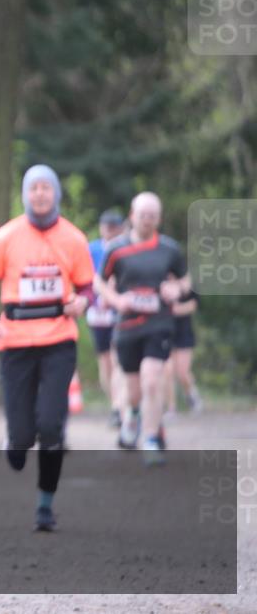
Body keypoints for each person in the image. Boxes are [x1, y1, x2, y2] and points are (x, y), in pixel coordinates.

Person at [0, 164, 96, 532]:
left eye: (46, 188)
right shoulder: (6, 236)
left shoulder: (74, 238)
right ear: (25, 194)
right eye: (33, 188)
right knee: (24, 436)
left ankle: (45, 505)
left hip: (59, 340)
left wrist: (83, 303)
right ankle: (15, 440)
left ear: (55, 193)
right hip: (15, 344)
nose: (40, 194)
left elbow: (87, 287)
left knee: (51, 426)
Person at [95, 192, 190, 466]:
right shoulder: (116, 249)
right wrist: (117, 300)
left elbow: (185, 280)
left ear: (159, 218)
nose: (147, 220)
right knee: (134, 388)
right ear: (132, 215)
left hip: (159, 323)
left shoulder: (169, 249)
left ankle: (150, 439)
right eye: (142, 215)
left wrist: (176, 288)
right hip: (127, 326)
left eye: (152, 216)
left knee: (152, 379)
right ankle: (133, 414)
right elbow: (100, 282)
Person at [86, 209, 126, 428]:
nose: (110, 230)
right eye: (106, 226)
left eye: (114, 226)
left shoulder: (125, 248)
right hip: (97, 312)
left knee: (118, 357)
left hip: (118, 310)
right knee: (105, 361)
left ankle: (119, 407)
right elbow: (84, 277)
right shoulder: (91, 249)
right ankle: (114, 403)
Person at [164, 289, 203, 415]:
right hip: (165, 332)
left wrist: (175, 309)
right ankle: (171, 407)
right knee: (168, 370)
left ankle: (191, 394)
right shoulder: (159, 278)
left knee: (182, 372)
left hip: (183, 332)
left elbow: (193, 305)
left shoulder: (188, 282)